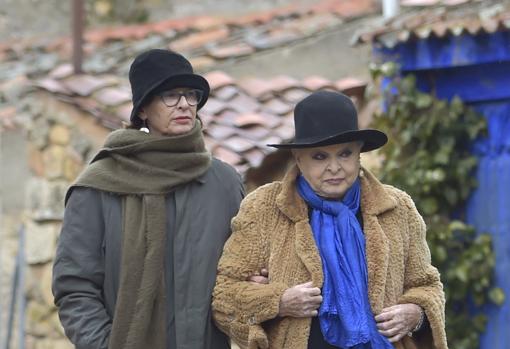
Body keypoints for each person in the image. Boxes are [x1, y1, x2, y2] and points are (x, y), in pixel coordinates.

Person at [212, 91, 448, 349]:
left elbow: (428, 286)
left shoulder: (396, 208)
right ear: (298, 159)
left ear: (359, 154)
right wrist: (278, 302)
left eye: (344, 154)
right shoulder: (264, 209)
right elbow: (224, 298)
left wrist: (415, 313)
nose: (334, 167)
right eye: (320, 156)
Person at [52, 49, 245, 349]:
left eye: (190, 94)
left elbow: (242, 272)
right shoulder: (99, 187)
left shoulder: (224, 183)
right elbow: (75, 287)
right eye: (170, 94)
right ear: (143, 109)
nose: (183, 104)